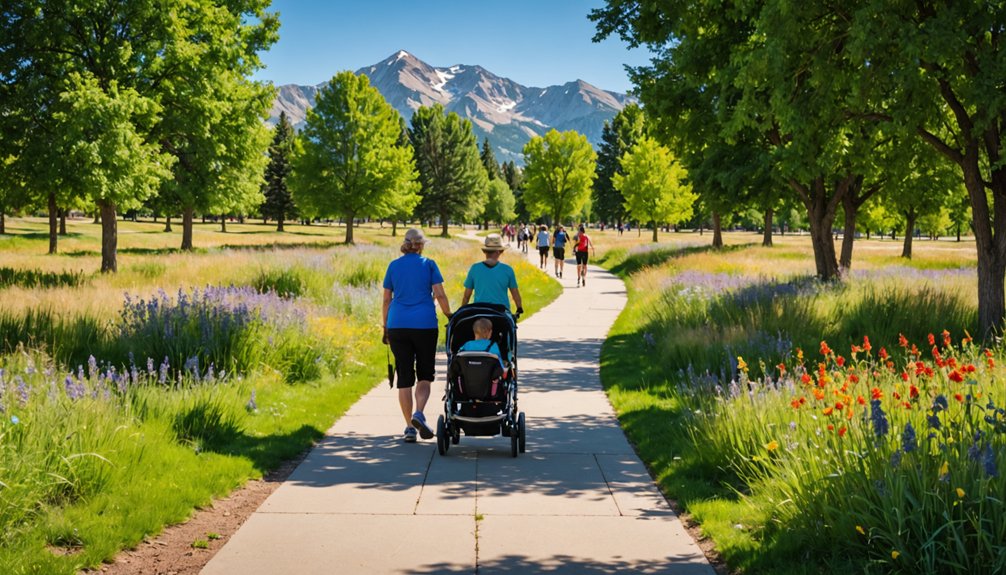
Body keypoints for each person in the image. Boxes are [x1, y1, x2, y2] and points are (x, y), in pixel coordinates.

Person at [382, 228, 452, 443]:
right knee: (424, 374)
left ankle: (409, 428)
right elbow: (439, 294)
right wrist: (450, 315)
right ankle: (419, 412)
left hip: (398, 325)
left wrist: (385, 326)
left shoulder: (394, 266)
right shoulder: (429, 264)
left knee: (404, 376)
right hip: (425, 325)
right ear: (421, 245)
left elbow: (386, 300)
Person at [462, 233, 524, 316]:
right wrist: (519, 307)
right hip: (501, 311)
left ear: (485, 251)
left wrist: (462, 310)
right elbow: (515, 293)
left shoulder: (475, 268)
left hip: (479, 310)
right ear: (499, 252)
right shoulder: (507, 270)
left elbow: (466, 296)